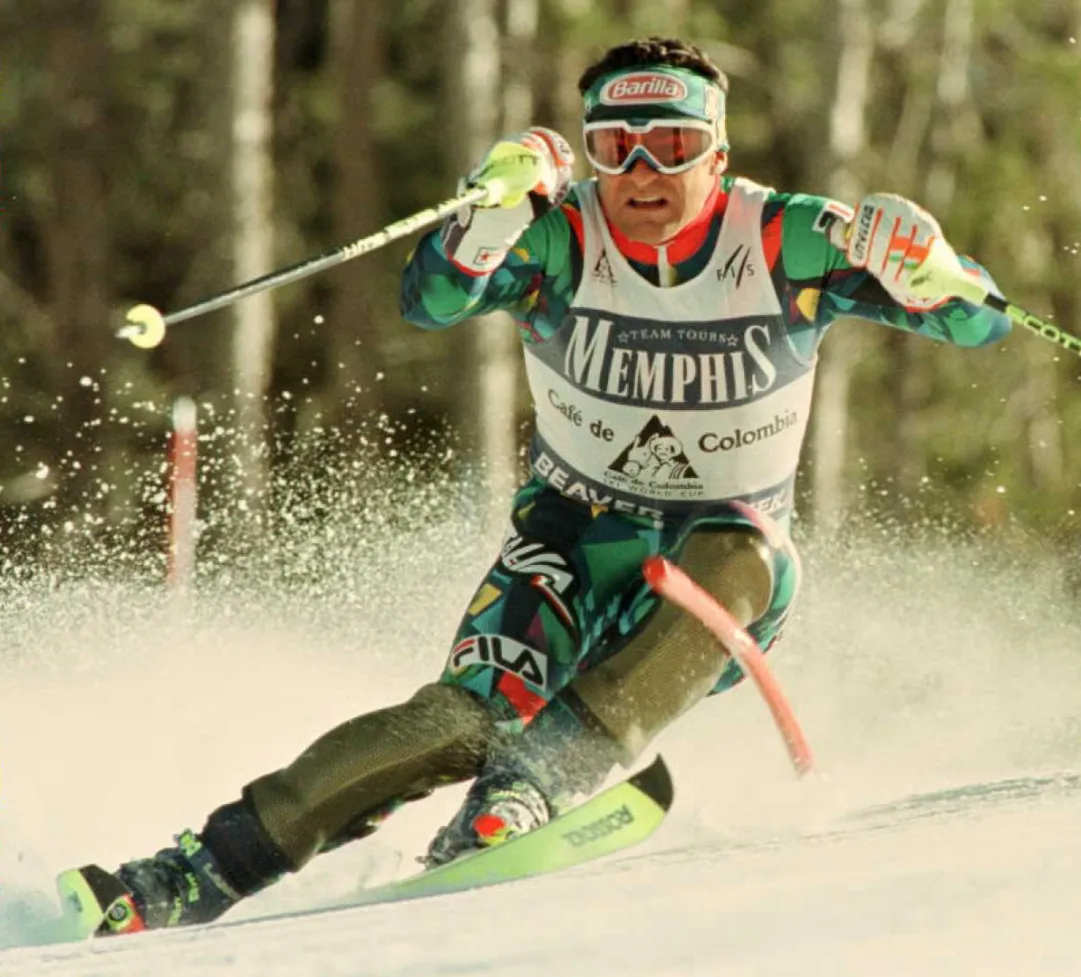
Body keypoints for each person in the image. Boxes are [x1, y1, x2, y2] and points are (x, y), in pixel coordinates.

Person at [60, 36, 1011, 934]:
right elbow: (431, 301)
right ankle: (189, 873)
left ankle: (538, 780)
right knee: (460, 718)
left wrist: (932, 268)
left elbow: (981, 326)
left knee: (738, 558)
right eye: (615, 148)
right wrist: (487, 220)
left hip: (721, 556)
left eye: (671, 145)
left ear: (716, 154)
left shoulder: (786, 239)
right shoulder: (561, 239)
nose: (643, 173)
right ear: (591, 156)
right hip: (567, 536)